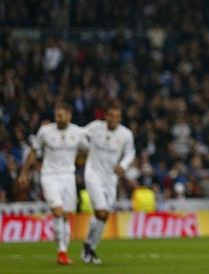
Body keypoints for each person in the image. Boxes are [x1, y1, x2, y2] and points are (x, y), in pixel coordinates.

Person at [17, 102, 88, 265]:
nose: (58, 118)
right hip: (49, 176)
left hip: (68, 177)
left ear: (69, 115)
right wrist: (24, 172)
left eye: (61, 116)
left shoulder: (77, 132)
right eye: (57, 115)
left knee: (66, 216)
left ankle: (64, 251)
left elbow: (87, 150)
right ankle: (61, 252)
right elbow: (33, 151)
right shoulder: (45, 131)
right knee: (57, 211)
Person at [81, 101, 135, 265]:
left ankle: (89, 246)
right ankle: (89, 248)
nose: (114, 119)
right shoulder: (95, 127)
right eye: (111, 115)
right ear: (105, 116)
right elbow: (78, 134)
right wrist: (84, 148)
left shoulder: (126, 134)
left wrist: (123, 165)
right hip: (93, 174)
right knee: (101, 211)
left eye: (117, 116)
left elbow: (130, 153)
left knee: (103, 216)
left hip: (110, 178)